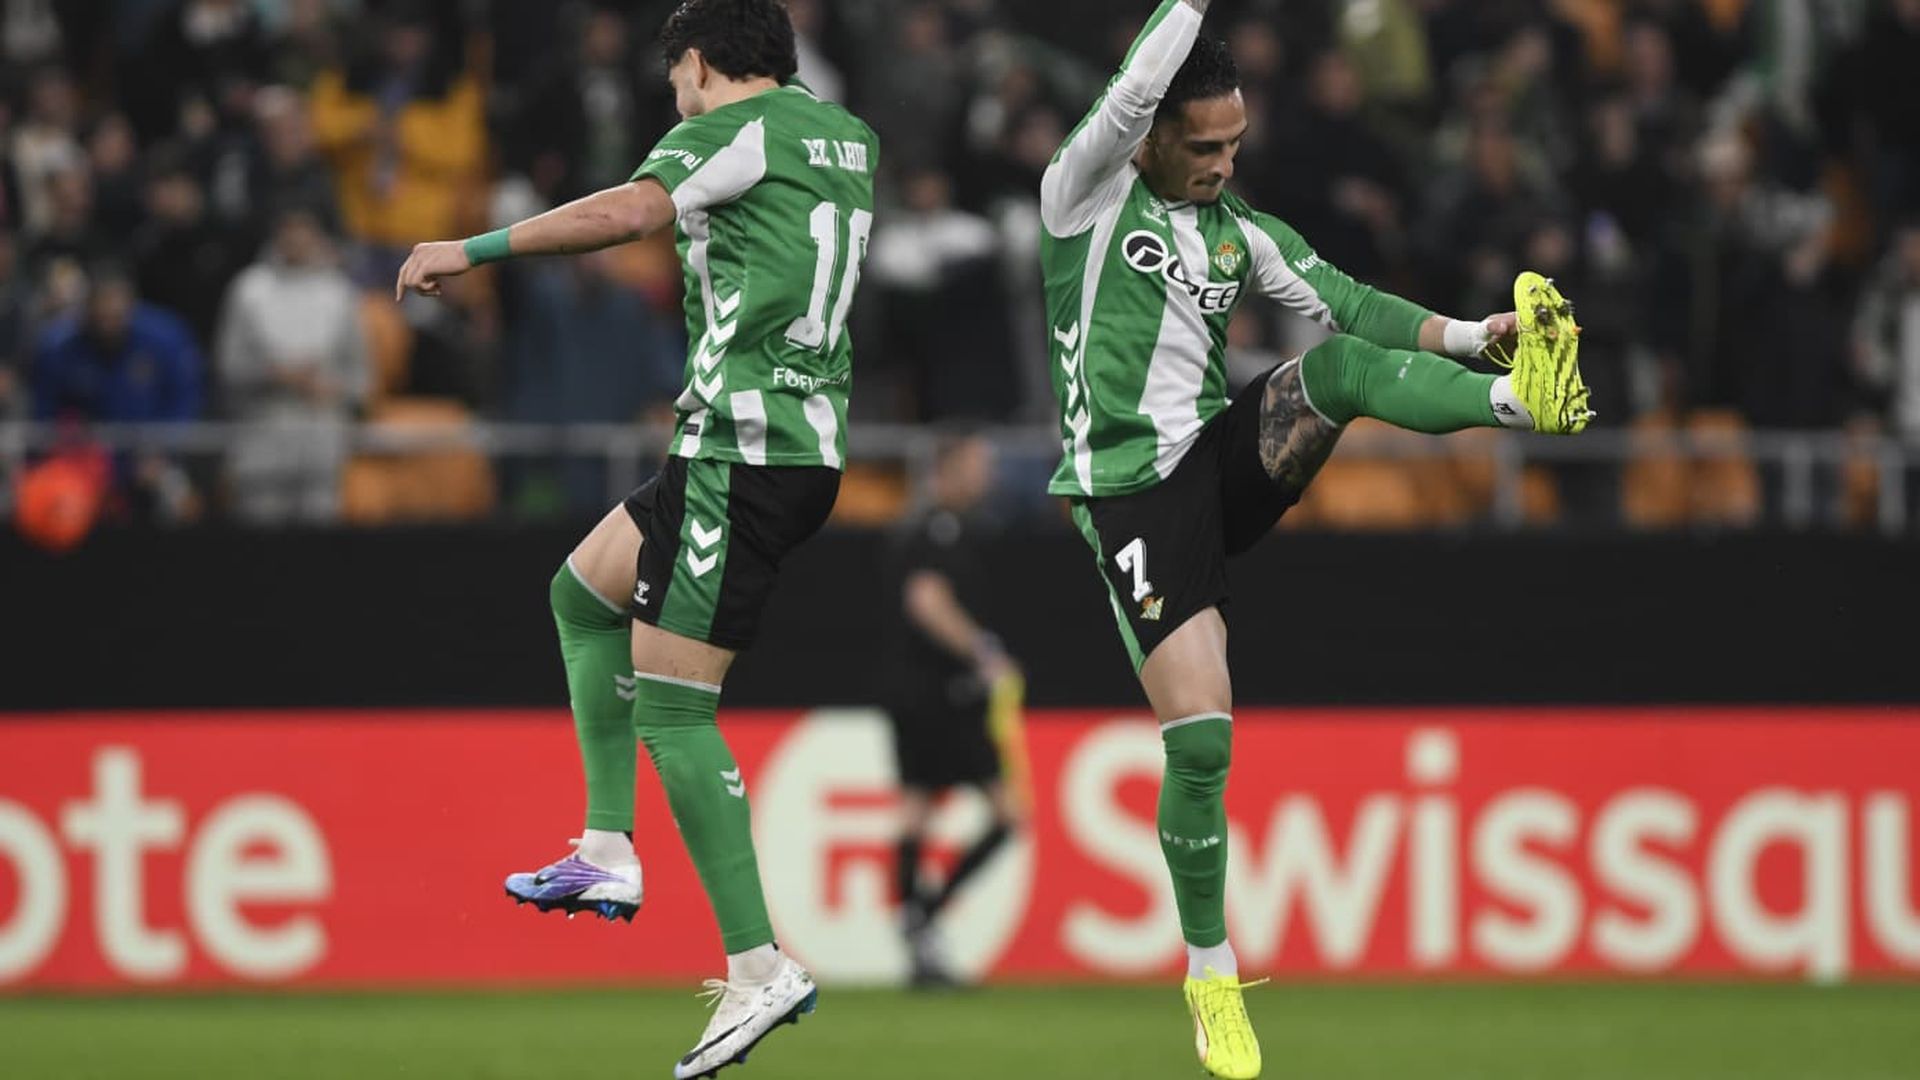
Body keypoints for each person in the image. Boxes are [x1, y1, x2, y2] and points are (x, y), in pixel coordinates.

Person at [1037, 3, 1590, 1077]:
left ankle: (1528, 403)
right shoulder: (1083, 196)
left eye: (1235, 142)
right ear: (1149, 134)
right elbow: (1134, 81)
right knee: (1202, 740)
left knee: (1332, 373)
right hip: (1127, 498)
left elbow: (1350, 303)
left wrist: (1480, 335)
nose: (1221, 161)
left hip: (1212, 464)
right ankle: (1210, 974)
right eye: (1202, 146)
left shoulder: (1238, 232)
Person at [394, 2, 877, 1076]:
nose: (675, 100)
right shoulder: (845, 134)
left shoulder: (722, 128)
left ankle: (760, 964)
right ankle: (607, 849)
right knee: (581, 593)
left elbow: (627, 216)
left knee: (674, 707)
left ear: (697, 64)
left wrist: (467, 250)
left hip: (743, 454)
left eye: (676, 82)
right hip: (784, 444)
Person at [883, 432, 1025, 987]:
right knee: (1005, 813)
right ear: (944, 470)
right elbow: (926, 601)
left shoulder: (946, 531)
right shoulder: (934, 532)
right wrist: (983, 651)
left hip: (923, 695)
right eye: (975, 465)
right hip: (937, 695)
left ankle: (920, 929)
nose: (985, 476)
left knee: (916, 809)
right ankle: (924, 919)